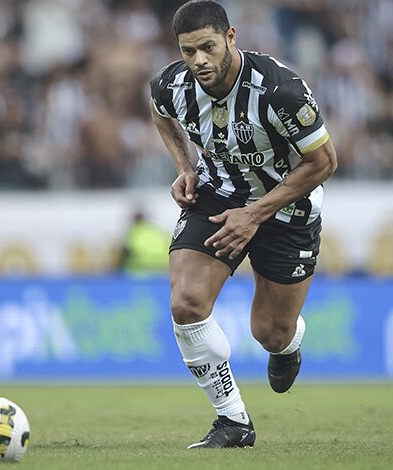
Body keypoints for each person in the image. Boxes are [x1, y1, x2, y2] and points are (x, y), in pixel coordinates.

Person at [149, 0, 337, 449]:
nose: (199, 61)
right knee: (187, 303)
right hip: (217, 195)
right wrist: (185, 166)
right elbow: (160, 115)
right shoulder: (171, 84)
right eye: (188, 51)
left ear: (231, 37)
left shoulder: (281, 91)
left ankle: (288, 343)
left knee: (269, 332)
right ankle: (232, 420)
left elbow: (324, 161)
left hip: (286, 206)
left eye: (208, 48)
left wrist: (255, 214)